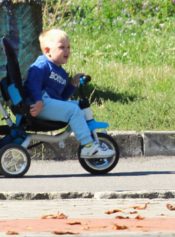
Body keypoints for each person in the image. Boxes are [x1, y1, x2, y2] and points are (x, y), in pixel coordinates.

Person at [24, 29, 115, 158]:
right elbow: (33, 84)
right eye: (62, 47)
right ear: (47, 51)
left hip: (47, 103)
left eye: (68, 47)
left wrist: (73, 83)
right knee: (73, 110)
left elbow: (61, 99)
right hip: (38, 105)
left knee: (80, 106)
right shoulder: (42, 65)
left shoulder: (61, 72)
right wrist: (38, 100)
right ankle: (88, 146)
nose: (67, 50)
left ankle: (91, 138)